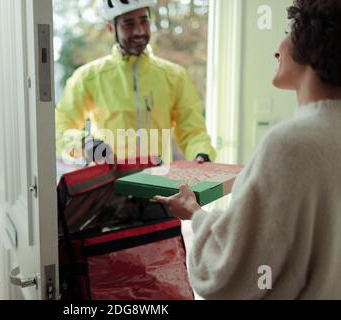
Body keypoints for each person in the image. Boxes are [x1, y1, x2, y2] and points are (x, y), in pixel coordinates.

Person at [156, 0, 341, 299]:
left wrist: (193, 212)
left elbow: (228, 274)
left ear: (316, 47)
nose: (277, 49)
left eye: (289, 31)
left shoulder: (289, 144)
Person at [55, 0, 215, 165]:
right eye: (128, 24)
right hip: (109, 185)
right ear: (111, 28)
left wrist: (201, 154)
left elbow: (193, 131)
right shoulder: (88, 77)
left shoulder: (175, 76)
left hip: (158, 183)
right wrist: (84, 142)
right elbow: (59, 129)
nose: (139, 31)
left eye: (144, 21)